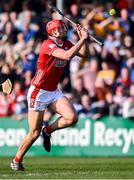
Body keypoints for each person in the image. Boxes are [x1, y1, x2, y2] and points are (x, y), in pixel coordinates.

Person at [10, 19, 89, 171]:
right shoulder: (47, 45)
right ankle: (16, 160)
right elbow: (66, 56)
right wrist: (83, 39)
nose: (64, 30)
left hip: (53, 90)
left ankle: (48, 131)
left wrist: (82, 39)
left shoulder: (67, 43)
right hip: (38, 91)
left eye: (64, 28)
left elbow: (84, 54)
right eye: (60, 28)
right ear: (53, 32)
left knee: (72, 117)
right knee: (33, 133)